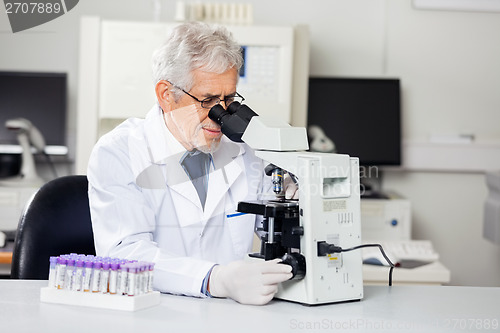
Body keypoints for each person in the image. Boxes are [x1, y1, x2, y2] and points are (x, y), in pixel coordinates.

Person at [87, 22, 293, 305]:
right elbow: (125, 253)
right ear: (166, 95)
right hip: (153, 314)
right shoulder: (121, 151)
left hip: (230, 316)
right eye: (208, 100)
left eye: (229, 99)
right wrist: (214, 278)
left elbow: (280, 227)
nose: (221, 116)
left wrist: (302, 197)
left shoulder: (247, 152)